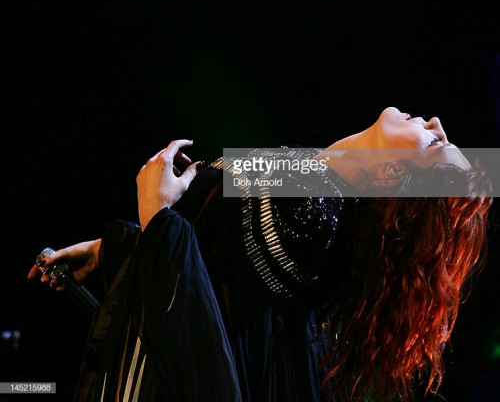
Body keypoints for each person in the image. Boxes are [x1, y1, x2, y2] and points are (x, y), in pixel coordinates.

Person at [28, 107, 492, 402]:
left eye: (435, 145)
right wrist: (115, 249)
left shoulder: (308, 205)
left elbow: (206, 333)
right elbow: (218, 263)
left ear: (393, 178)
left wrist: (157, 216)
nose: (435, 122)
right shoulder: (313, 187)